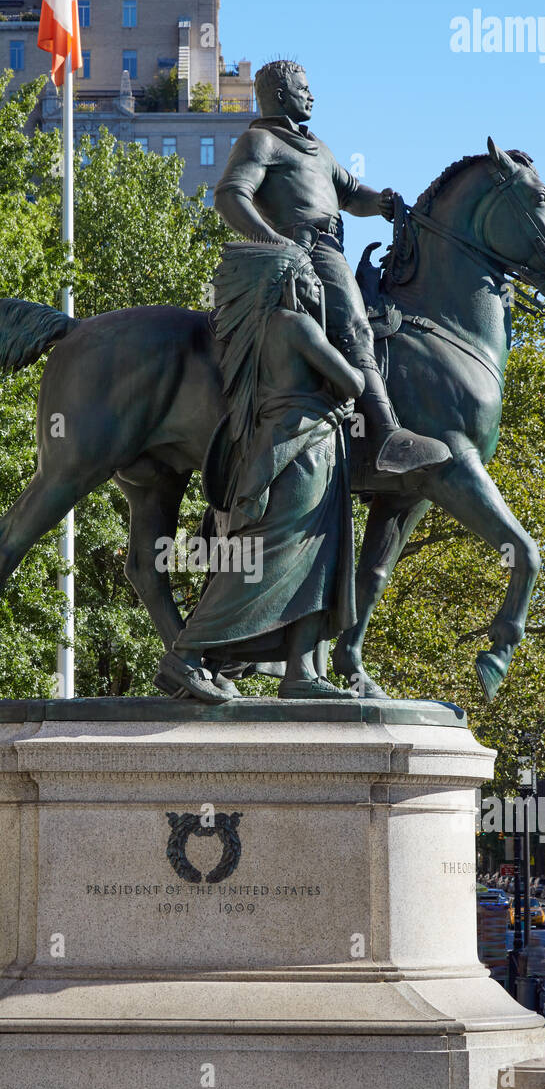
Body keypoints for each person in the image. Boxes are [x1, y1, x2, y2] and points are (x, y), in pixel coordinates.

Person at [214, 59, 450, 476]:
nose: (312, 94)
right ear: (282, 95)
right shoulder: (259, 141)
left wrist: (380, 203)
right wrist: (279, 245)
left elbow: (351, 192)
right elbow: (231, 196)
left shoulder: (317, 147)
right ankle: (387, 435)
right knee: (356, 327)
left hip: (333, 244)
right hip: (308, 248)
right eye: (304, 88)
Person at [156, 242, 361, 704]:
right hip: (303, 451)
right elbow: (355, 381)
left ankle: (301, 670)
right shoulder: (297, 325)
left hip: (287, 447)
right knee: (275, 556)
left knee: (315, 558)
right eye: (310, 279)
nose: (317, 288)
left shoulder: (255, 333)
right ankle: (186, 654)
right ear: (288, 282)